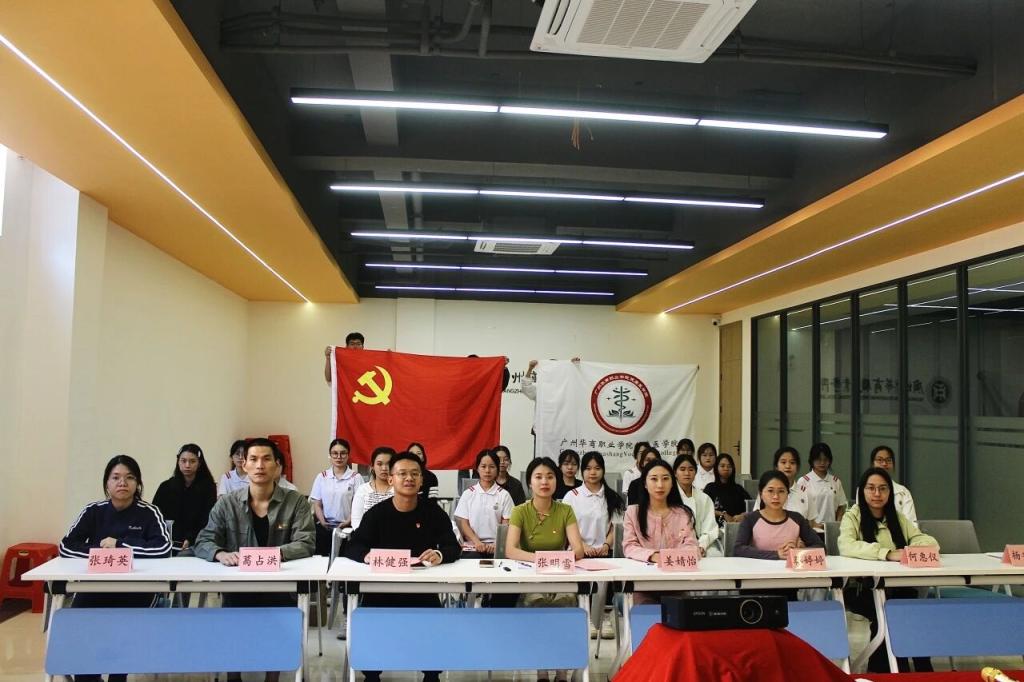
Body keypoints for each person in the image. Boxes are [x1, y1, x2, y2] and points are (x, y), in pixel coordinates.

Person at [194, 438, 315, 682]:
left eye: (267, 459)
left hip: (280, 585)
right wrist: (220, 553)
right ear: (244, 464)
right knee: (234, 629)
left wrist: (273, 555)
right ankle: (233, 676)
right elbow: (204, 539)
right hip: (238, 586)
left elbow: (306, 541)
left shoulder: (296, 502)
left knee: (278, 629)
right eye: (253, 459)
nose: (260, 465)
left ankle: (272, 677)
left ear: (277, 465)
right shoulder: (227, 503)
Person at [344, 451, 461, 682]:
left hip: (422, 588)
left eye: (415, 474)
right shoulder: (377, 514)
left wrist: (439, 554)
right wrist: (367, 555)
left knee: (434, 625)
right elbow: (353, 545)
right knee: (370, 622)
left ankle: (431, 675)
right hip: (381, 588)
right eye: (402, 473)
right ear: (391, 479)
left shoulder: (433, 512)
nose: (409, 478)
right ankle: (371, 674)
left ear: (421, 480)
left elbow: (453, 546)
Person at [59, 455, 171, 682]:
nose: (122, 483)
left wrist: (120, 546)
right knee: (82, 629)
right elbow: (66, 546)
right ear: (107, 483)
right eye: (116, 477)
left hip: (136, 590)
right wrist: (101, 553)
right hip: (94, 587)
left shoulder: (149, 512)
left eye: (130, 478)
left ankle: (118, 676)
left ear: (138, 483)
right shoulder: (93, 511)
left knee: (124, 634)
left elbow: (163, 548)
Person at [839, 467, 938, 673]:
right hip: (863, 589)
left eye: (883, 488)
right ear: (862, 491)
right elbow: (846, 545)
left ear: (890, 492)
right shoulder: (853, 516)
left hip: (899, 587)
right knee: (890, 615)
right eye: (871, 488)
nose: (877, 494)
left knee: (915, 616)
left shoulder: (897, 517)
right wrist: (886, 553)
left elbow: (926, 540)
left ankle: (921, 672)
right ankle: (892, 672)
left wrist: (913, 550)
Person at [507, 457, 585, 682]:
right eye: (538, 477)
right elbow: (511, 550)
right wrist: (541, 560)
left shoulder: (565, 510)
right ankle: (541, 670)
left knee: (565, 607)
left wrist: (555, 561)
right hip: (531, 575)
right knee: (536, 605)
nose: (544, 482)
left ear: (556, 481)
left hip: (560, 575)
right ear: (529, 482)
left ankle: (561, 671)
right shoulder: (519, 511)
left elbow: (578, 550)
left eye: (550, 477)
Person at [563, 452, 624, 639]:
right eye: (588, 468)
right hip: (578, 551)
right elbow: (566, 526)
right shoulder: (572, 496)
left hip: (603, 552)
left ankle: (603, 617)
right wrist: (582, 546)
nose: (593, 472)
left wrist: (606, 545)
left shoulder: (612, 497)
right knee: (583, 584)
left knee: (605, 582)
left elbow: (615, 527)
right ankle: (588, 617)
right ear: (582, 471)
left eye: (597, 468)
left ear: (603, 470)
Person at [622, 459, 698, 604]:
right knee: (646, 610)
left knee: (681, 611)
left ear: (672, 482)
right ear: (645, 483)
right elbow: (629, 546)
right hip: (642, 584)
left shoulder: (683, 514)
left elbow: (691, 546)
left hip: (676, 583)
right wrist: (653, 556)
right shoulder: (633, 512)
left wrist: (670, 558)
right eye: (654, 479)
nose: (660, 485)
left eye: (665, 479)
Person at [734, 471, 821, 560]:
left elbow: (820, 546)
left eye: (781, 491)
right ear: (761, 494)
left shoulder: (797, 518)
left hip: (789, 568)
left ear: (787, 494)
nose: (776, 496)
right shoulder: (750, 519)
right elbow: (738, 549)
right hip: (760, 568)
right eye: (770, 491)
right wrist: (776, 554)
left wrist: (799, 551)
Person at [153, 443, 217, 552]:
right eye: (183, 461)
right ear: (178, 462)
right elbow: (156, 515)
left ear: (199, 463)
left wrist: (191, 538)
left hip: (198, 542)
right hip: (168, 541)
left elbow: (208, 517)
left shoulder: (208, 487)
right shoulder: (166, 487)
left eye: (192, 461)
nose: (187, 465)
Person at [310, 438, 363, 556]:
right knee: (321, 558)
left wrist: (348, 521)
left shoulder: (356, 477)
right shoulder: (322, 477)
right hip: (325, 526)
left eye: (343, 453)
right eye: (335, 453)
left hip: (347, 527)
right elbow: (317, 504)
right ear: (330, 455)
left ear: (348, 455)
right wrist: (322, 521)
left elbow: (358, 505)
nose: (339, 457)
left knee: (344, 560)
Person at [454, 449, 514, 555]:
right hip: (473, 545)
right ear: (477, 468)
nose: (487, 471)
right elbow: (464, 523)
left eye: (492, 467)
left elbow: (506, 524)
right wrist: (476, 541)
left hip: (497, 546)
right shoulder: (468, 493)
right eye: (483, 466)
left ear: (497, 469)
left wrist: (496, 543)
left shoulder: (504, 495)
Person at [673, 454, 721, 556]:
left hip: (700, 543)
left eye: (691, 469)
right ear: (675, 473)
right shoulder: (669, 497)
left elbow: (710, 528)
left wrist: (701, 546)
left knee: (715, 555)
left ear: (695, 472)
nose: (687, 473)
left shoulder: (704, 499)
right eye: (682, 469)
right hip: (675, 544)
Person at [865, 445, 917, 525]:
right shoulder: (864, 489)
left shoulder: (903, 492)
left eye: (888, 460)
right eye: (880, 460)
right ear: (872, 464)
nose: (884, 463)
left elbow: (911, 524)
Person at [798, 442, 847, 524]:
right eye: (818, 459)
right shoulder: (803, 481)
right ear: (812, 460)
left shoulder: (836, 481)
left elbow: (841, 507)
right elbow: (800, 509)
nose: (822, 463)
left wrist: (837, 525)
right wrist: (811, 526)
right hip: (811, 529)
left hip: (831, 529)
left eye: (825, 459)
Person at [351, 446, 395, 530]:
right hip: (365, 536)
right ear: (372, 466)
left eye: (388, 464)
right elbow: (356, 521)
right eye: (379, 464)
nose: (384, 468)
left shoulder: (400, 490)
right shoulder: (363, 490)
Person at [702, 453, 751, 525]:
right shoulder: (710, 488)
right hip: (715, 527)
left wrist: (743, 515)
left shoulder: (739, 489)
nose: (726, 468)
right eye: (722, 466)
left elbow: (751, 507)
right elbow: (703, 509)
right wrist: (722, 514)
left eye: (729, 466)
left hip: (737, 526)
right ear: (716, 468)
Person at [773, 446, 815, 526]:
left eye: (792, 463)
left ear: (797, 467)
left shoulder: (806, 492)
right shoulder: (767, 491)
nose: (788, 466)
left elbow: (811, 523)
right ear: (776, 466)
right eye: (783, 462)